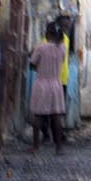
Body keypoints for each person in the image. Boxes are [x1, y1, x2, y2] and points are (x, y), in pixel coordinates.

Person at [28, 24, 69, 153]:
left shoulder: (40, 48)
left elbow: (32, 65)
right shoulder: (62, 48)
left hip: (42, 84)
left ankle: (35, 147)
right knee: (56, 116)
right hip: (56, 84)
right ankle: (59, 147)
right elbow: (61, 62)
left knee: (38, 116)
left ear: (47, 34)